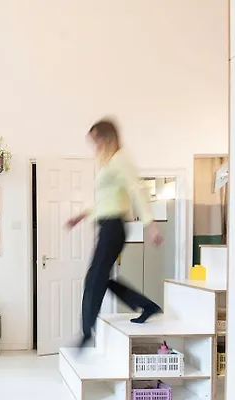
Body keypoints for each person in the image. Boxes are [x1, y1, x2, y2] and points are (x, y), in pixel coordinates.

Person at [66, 119, 163, 350]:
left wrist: (151, 224)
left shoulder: (120, 159)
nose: (95, 145)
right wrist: (83, 215)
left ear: (107, 137)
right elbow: (107, 200)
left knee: (94, 279)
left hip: (114, 227)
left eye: (96, 140)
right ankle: (147, 305)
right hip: (107, 226)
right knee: (100, 278)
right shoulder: (107, 163)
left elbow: (136, 190)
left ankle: (86, 332)